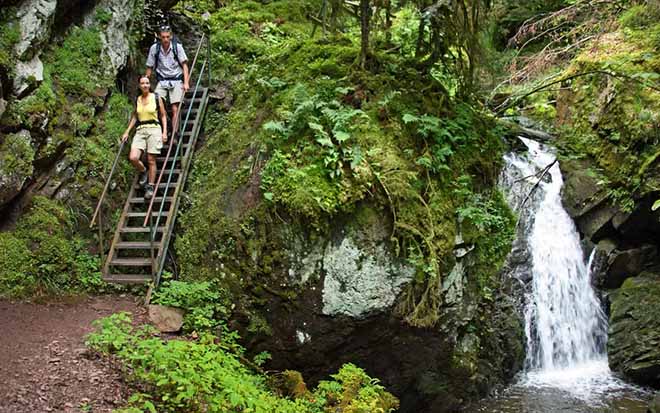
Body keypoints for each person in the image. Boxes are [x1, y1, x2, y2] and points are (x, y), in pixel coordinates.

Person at [121, 75, 168, 200]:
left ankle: (150, 186)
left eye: (147, 83)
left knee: (151, 159)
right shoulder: (138, 99)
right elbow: (135, 117)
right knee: (133, 157)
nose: (145, 85)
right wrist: (127, 132)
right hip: (141, 129)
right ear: (139, 86)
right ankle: (143, 171)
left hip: (154, 128)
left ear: (149, 85)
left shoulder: (156, 98)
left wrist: (164, 132)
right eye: (142, 83)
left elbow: (163, 115)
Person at [145, 25, 190, 140]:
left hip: (176, 79)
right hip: (162, 80)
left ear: (171, 36)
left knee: (175, 107)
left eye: (167, 37)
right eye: (163, 37)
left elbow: (184, 65)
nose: (165, 40)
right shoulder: (154, 49)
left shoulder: (177, 47)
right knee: (156, 104)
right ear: (160, 37)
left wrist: (186, 83)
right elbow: (150, 66)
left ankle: (174, 133)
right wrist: (146, 80)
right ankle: (165, 125)